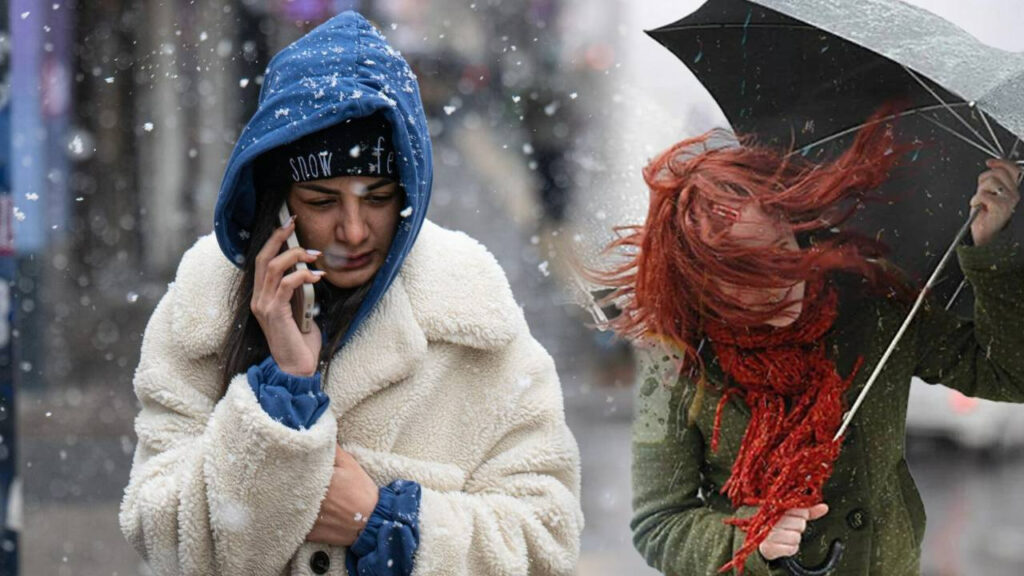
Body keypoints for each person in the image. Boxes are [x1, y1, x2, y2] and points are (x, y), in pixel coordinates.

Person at [119, 12, 582, 576]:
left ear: (409, 191)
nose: (355, 231)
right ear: (280, 200)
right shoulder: (202, 311)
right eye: (321, 201)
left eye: (379, 197)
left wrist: (384, 523)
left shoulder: (474, 317)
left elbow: (548, 541)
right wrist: (282, 393)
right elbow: (166, 541)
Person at [595, 116, 1024, 575]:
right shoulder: (669, 360)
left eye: (783, 246)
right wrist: (750, 541)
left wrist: (993, 253)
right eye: (752, 271)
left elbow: (1009, 374)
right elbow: (659, 522)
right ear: (706, 282)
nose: (782, 277)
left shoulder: (869, 298)